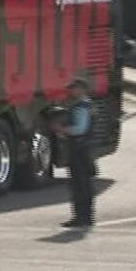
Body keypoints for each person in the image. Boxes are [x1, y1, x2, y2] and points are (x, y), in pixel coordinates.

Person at [56, 78, 95, 228]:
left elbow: (80, 129)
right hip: (85, 149)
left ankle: (82, 217)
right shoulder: (88, 105)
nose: (71, 91)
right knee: (83, 184)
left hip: (79, 150)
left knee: (80, 185)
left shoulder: (80, 107)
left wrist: (62, 129)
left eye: (74, 88)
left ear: (82, 89)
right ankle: (85, 216)